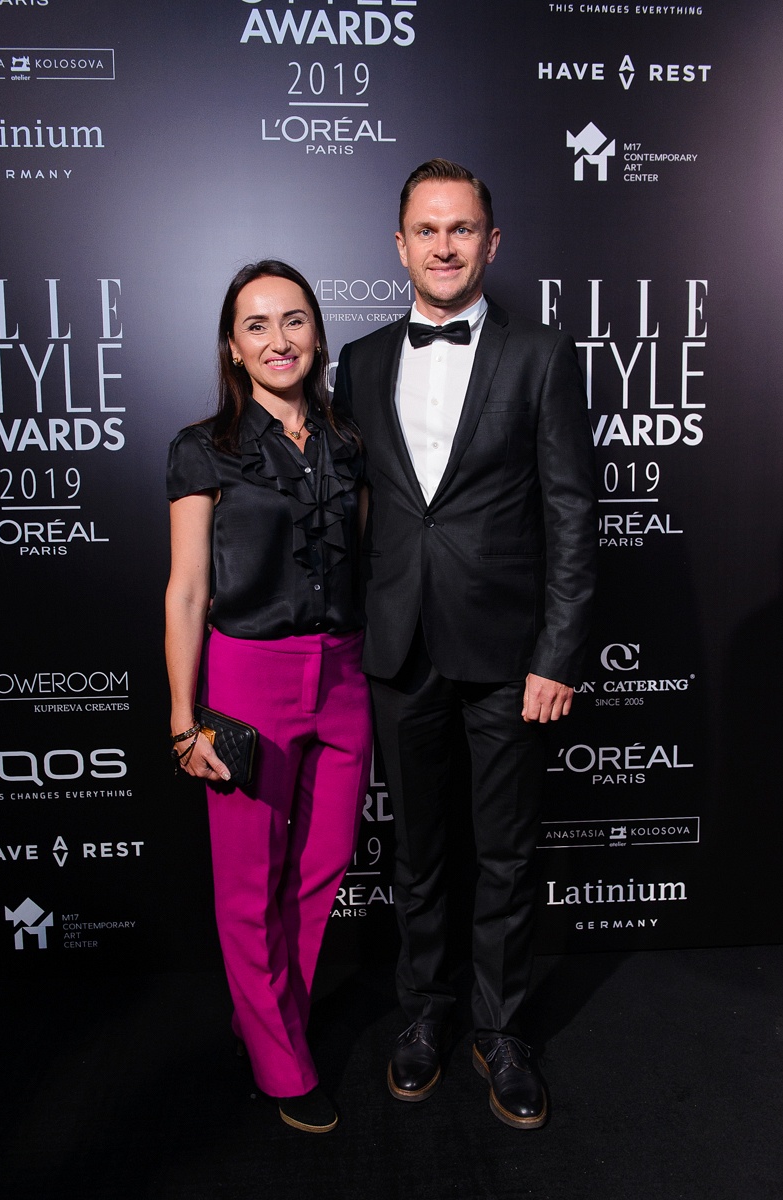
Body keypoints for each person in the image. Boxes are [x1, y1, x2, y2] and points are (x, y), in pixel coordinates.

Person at [333, 159, 598, 1129]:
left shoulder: (542, 354)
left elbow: (572, 514)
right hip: (398, 644)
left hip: (508, 655)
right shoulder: (359, 361)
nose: (443, 246)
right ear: (399, 245)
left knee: (506, 856)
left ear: (491, 242)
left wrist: (557, 655)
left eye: (461, 228)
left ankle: (503, 1031)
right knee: (416, 854)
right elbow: (358, 510)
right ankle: (424, 1014)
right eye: (426, 229)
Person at [165, 260, 372, 1134]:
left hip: (346, 676)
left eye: (293, 320)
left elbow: (366, 563)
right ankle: (282, 1064)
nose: (278, 339)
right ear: (232, 346)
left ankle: (272, 1018)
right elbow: (186, 591)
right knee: (250, 887)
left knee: (320, 872)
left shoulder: (350, 442)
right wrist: (184, 721)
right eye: (256, 324)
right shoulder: (202, 447)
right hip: (248, 678)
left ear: (317, 334)